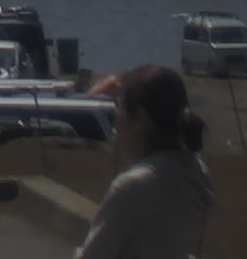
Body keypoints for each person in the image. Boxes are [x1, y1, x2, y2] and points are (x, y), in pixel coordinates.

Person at [73, 64, 211, 259]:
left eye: (119, 106)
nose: (116, 118)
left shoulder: (135, 185)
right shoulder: (197, 172)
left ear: (140, 117)